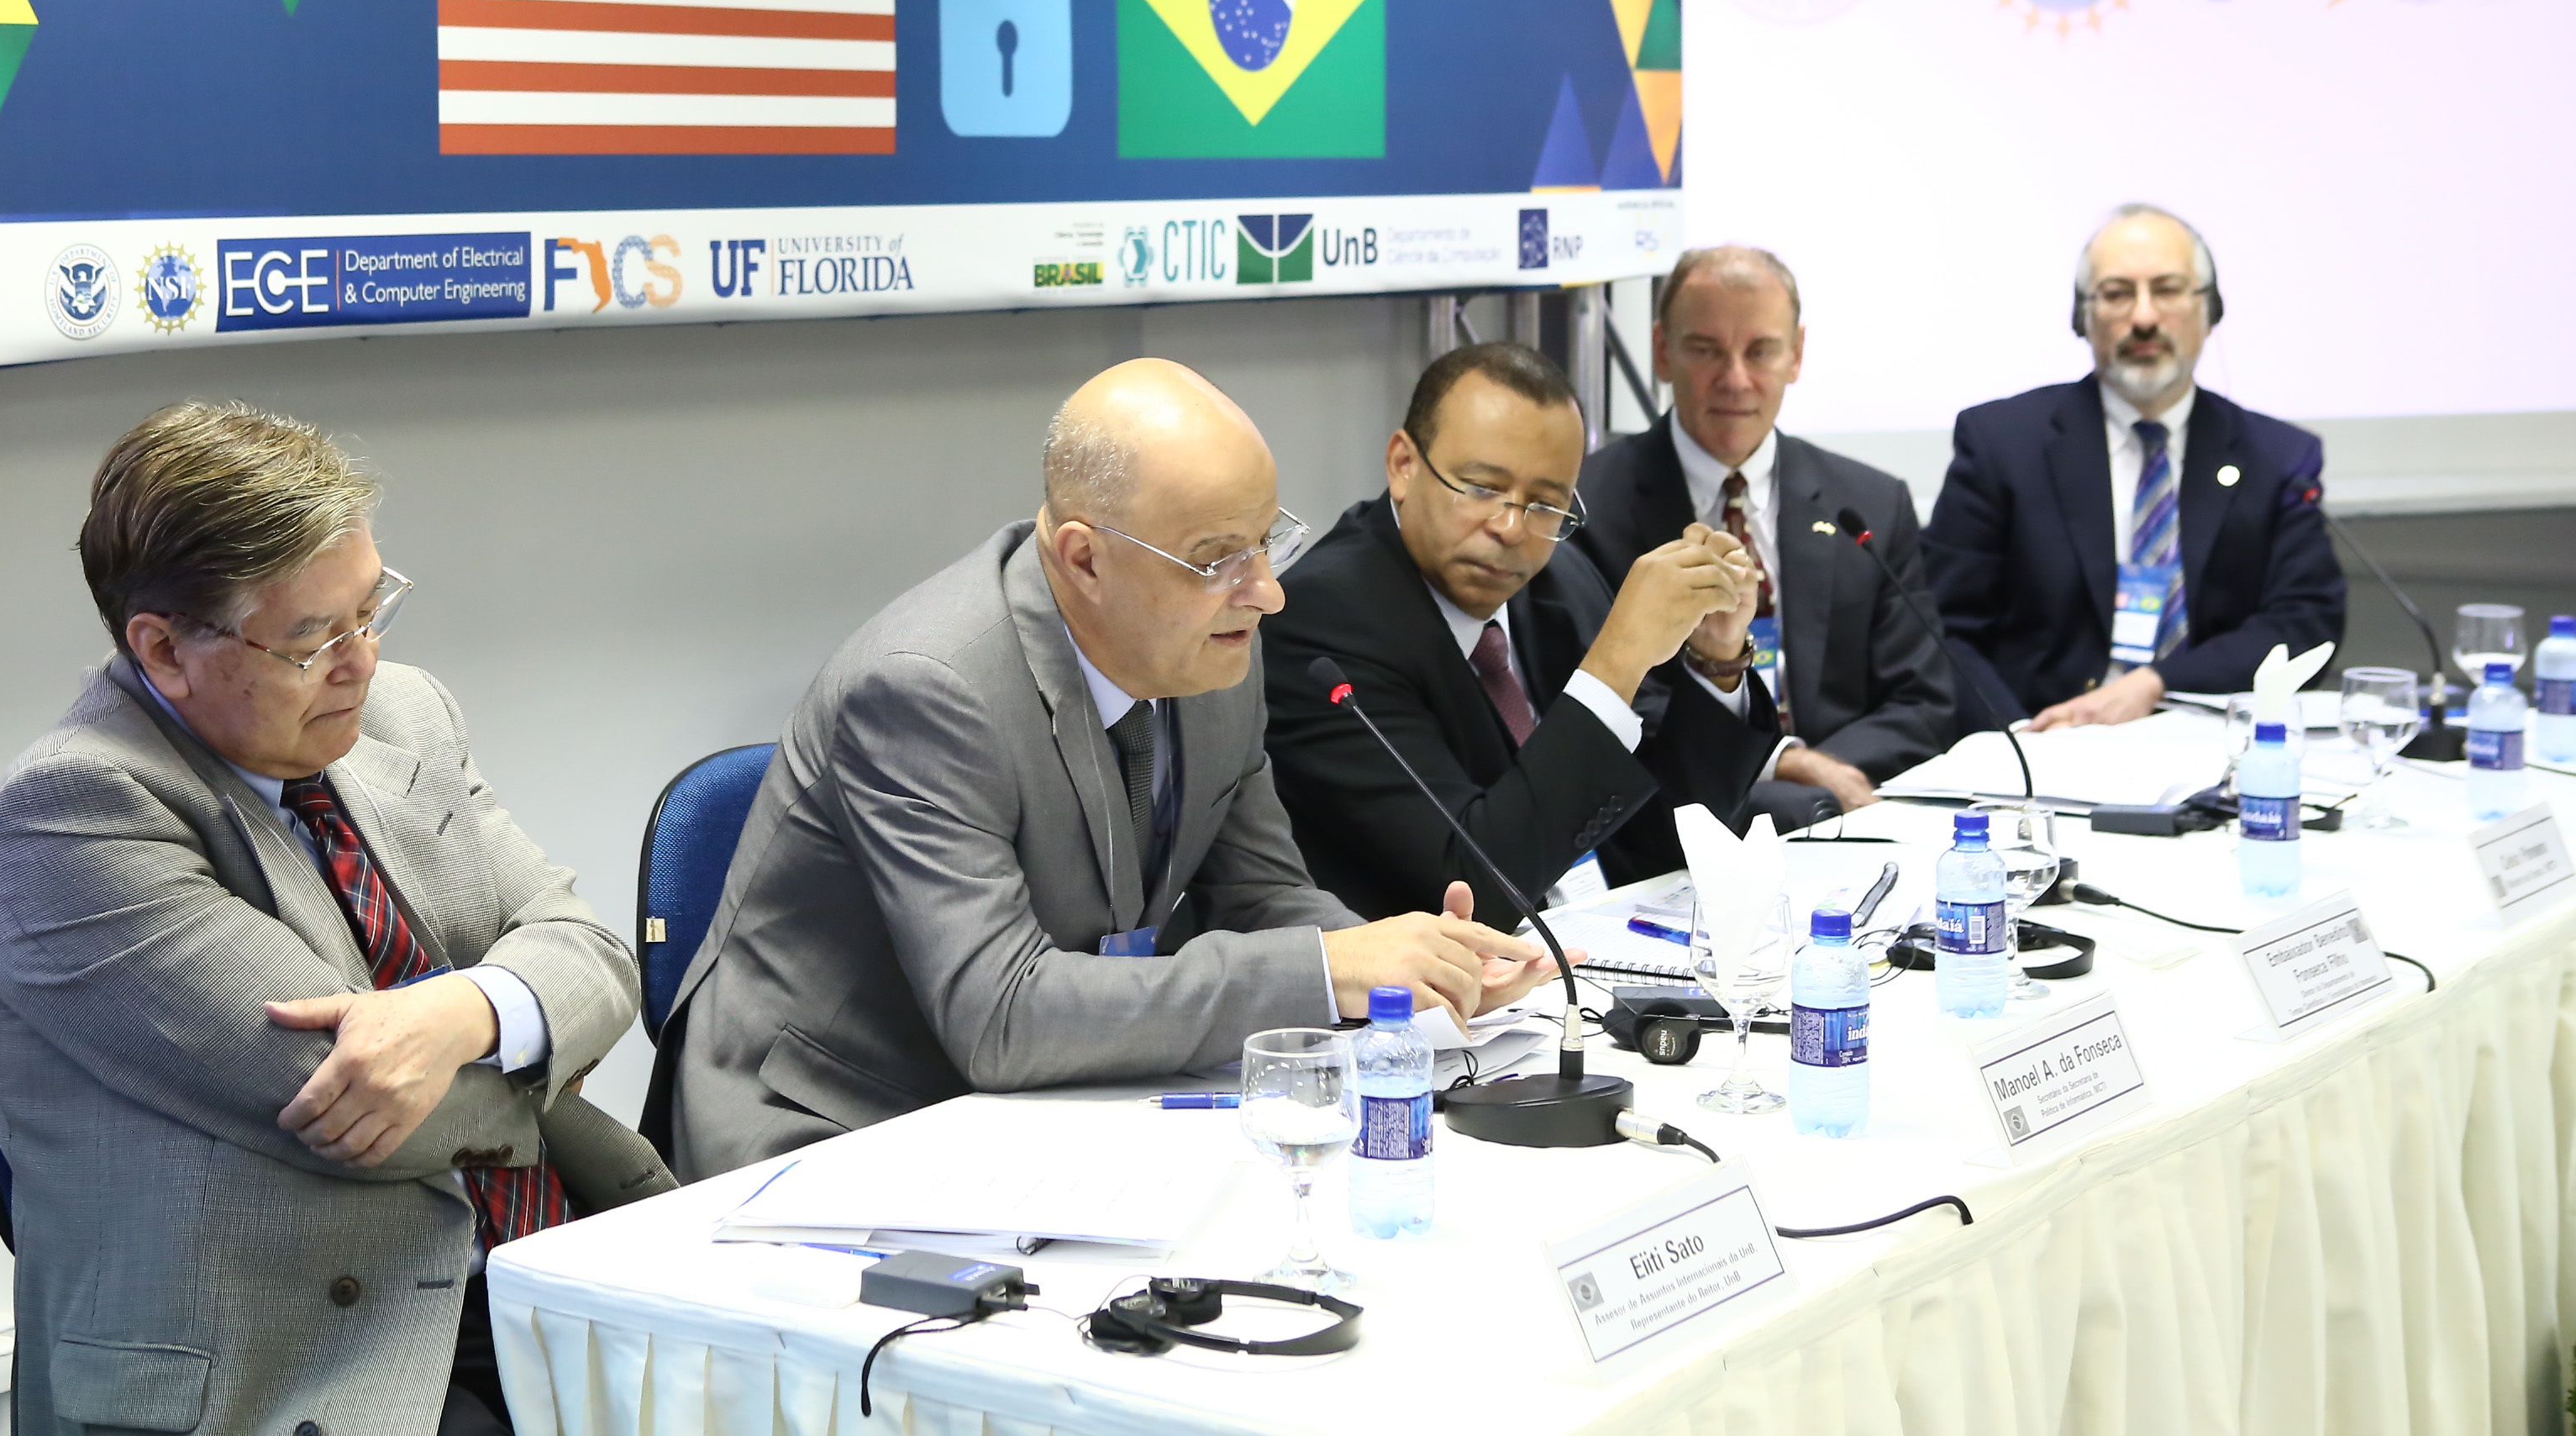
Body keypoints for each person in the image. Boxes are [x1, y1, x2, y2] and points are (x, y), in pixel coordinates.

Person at [653, 359, 1553, 1182]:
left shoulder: (1214, 648)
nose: (1266, 592)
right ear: (1084, 557)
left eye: (1265, 542)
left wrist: (1416, 976)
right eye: (1217, 558)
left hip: (1044, 1109)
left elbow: (1265, 896)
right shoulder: (926, 687)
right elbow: (1003, 1016)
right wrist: (1327, 968)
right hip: (835, 1131)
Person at [0, 403, 666, 1436]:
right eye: (312, 639)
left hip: (531, 1265)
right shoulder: (77, 810)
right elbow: (368, 1114)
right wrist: (540, 1029)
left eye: (371, 610)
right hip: (301, 1352)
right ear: (164, 649)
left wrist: (464, 1013)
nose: (362, 661)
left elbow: (598, 957)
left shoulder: (405, 713)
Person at [1259, 339, 1775, 918]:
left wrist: (1716, 659)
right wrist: (1618, 660)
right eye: (1482, 489)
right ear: (1404, 465)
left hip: (1596, 941)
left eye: (1545, 505)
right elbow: (1472, 885)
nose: (1511, 528)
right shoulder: (1322, 621)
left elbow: (1666, 839)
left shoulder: (1560, 579)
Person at [1924, 204, 2346, 730]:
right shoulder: (2003, 445)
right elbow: (1942, 628)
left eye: (2167, 290)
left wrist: (2156, 683)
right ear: (2082, 318)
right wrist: (2019, 745)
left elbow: (2304, 623)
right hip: (2042, 739)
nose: (2144, 318)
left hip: (2215, 743)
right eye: (2118, 294)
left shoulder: (2277, 457)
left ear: (2210, 311)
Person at [1573, 247, 1958, 820]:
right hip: (1673, 823)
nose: (1735, 380)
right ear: (1662, 351)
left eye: (1760, 351)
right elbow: (1601, 705)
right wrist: (1783, 763)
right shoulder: (1587, 507)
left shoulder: (1871, 503)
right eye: (1706, 350)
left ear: (1796, 354)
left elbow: (1922, 702)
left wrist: (1819, 777)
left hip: (1845, 814)